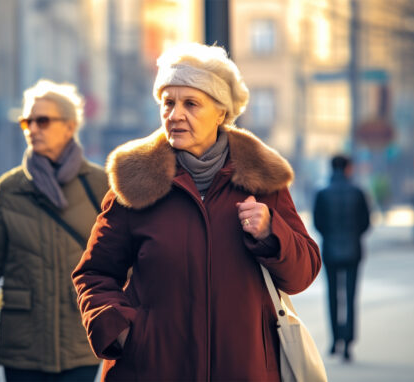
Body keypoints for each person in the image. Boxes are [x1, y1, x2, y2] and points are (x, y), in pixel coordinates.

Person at [72, 42, 322, 381]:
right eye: (168, 102)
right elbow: (94, 273)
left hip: (244, 370)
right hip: (154, 371)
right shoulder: (135, 180)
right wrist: (123, 332)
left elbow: (302, 273)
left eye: (191, 103)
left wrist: (270, 233)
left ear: (221, 112)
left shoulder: (262, 178)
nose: (175, 115)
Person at [0, 80, 108, 382]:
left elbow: (123, 257)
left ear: (70, 127)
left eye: (42, 120)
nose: (33, 128)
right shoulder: (11, 188)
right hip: (23, 340)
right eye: (27, 121)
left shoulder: (99, 184)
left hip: (81, 334)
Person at [313, 154, 370, 362]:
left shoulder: (322, 193)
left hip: (330, 250)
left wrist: (330, 235)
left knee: (332, 296)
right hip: (353, 250)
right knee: (351, 297)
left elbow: (318, 223)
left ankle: (335, 340)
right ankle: (348, 343)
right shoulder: (358, 192)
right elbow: (366, 223)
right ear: (347, 168)